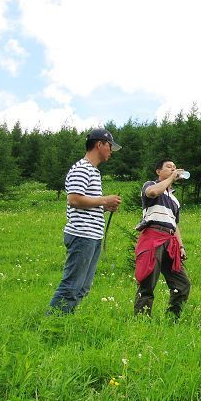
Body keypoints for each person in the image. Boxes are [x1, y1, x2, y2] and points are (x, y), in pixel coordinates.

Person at [48, 128, 122, 314]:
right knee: (72, 285)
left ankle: (64, 320)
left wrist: (104, 207)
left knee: (82, 287)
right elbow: (74, 199)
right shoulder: (81, 168)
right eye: (110, 146)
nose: (111, 151)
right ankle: (51, 325)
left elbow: (85, 202)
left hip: (92, 236)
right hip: (82, 235)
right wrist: (105, 200)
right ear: (99, 144)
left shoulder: (93, 171)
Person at [133, 159, 192, 319]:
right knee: (148, 282)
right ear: (158, 171)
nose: (173, 169)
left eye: (174, 167)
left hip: (170, 240)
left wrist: (181, 246)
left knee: (183, 284)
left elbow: (175, 224)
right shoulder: (151, 185)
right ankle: (141, 320)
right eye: (169, 167)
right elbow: (152, 193)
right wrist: (171, 178)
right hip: (152, 236)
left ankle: (172, 318)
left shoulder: (174, 200)